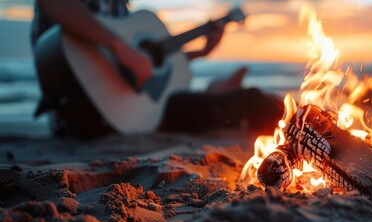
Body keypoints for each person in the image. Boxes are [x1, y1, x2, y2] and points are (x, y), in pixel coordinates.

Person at [32, 0, 282, 138]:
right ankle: (218, 93)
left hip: (129, 113)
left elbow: (145, 65)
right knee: (252, 101)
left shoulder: (119, 8)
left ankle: (217, 93)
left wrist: (203, 52)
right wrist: (121, 48)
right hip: (86, 116)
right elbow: (53, 4)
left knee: (248, 101)